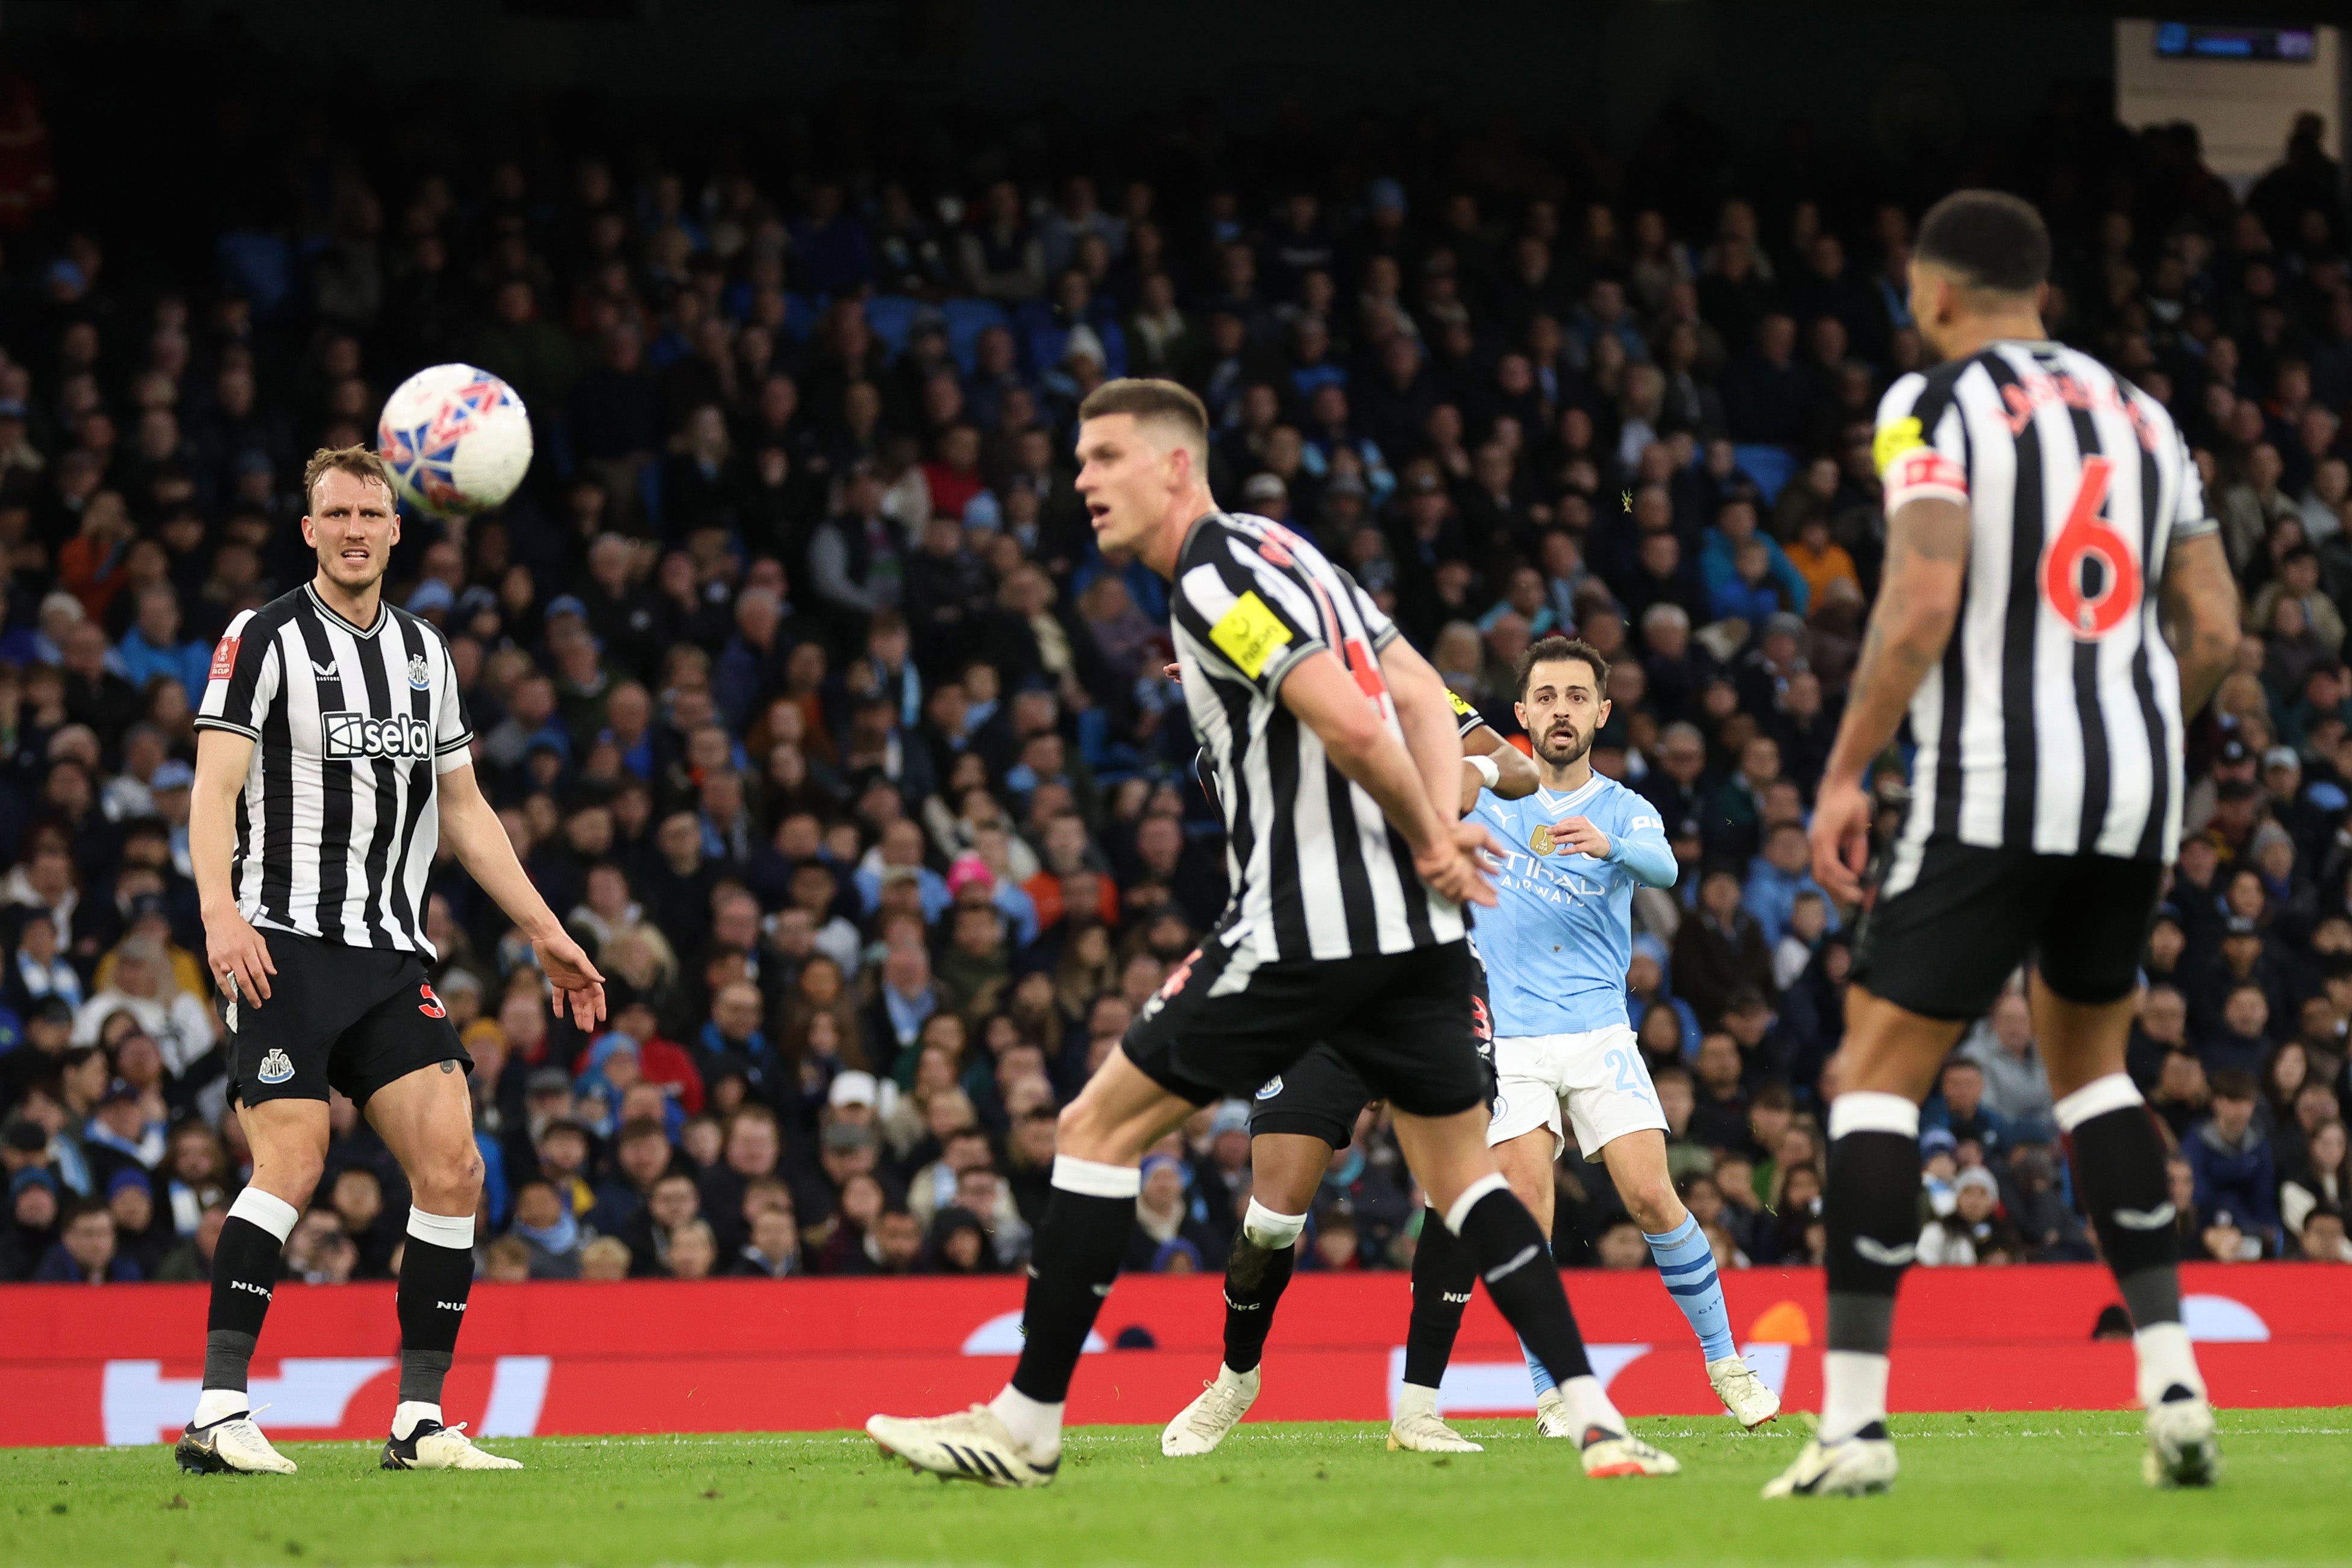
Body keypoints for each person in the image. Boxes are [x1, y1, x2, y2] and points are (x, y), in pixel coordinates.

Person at [865, 380, 1677, 1487]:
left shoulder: (1211, 576)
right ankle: (1596, 1420)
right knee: (1468, 1185)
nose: (1083, 481)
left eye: (1105, 458)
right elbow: (1406, 682)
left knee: (1094, 1128)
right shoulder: (1290, 551)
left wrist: (1426, 825)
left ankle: (1024, 1422)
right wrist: (1440, 825)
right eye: (1081, 460)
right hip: (1418, 939)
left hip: (1304, 928)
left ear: (1174, 466)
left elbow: (1351, 715)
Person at [1771, 193, 2241, 1499]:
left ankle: (1853, 1426)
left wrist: (1847, 770)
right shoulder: (2148, 418)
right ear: (2043, 288)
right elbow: (2212, 630)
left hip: (1992, 778)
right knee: (2096, 1069)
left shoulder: (1930, 402)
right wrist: (2137, 734)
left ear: (1930, 292)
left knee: (1871, 1070)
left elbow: (1921, 598)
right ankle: (2171, 1383)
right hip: (2133, 787)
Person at [175, 447, 606, 1478]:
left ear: (397, 529)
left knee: (455, 1169)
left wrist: (547, 929)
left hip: (386, 951)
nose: (358, 528)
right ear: (311, 528)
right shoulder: (263, 636)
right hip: (281, 941)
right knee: (294, 1160)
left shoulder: (423, 655)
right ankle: (217, 1412)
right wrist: (219, 913)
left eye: (374, 512)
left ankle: (419, 1422)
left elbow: (464, 809)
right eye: (339, 513)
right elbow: (212, 788)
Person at [1158, 663, 1540, 1457]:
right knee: (1273, 1215)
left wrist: (1466, 765)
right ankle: (1235, 1376)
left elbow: (1521, 767)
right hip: (1314, 976)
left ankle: (1421, 1406)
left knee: (1459, 1181)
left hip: (1428, 970)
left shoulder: (1413, 690)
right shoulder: (1252, 730)